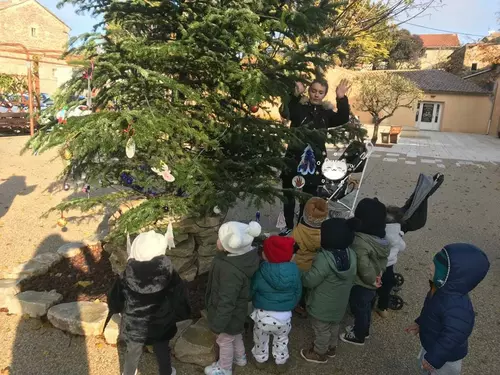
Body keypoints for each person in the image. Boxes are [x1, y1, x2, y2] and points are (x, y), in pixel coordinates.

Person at [106, 230, 191, 375]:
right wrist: (183, 313)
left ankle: (128, 372)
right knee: (162, 349)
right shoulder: (169, 272)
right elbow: (179, 296)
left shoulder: (127, 273)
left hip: (135, 324)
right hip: (161, 324)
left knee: (132, 352)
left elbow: (115, 297)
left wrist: (117, 308)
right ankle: (166, 372)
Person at [279, 78, 351, 235]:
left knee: (309, 196)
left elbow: (343, 118)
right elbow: (285, 111)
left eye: (320, 92)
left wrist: (341, 98)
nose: (316, 95)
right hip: (294, 158)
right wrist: (295, 94)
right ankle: (288, 226)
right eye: (313, 91)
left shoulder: (326, 113)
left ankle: (303, 228)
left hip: (314, 161)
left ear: (324, 94)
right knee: (289, 194)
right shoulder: (299, 108)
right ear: (309, 91)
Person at [406, 244, 490, 375]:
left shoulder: (457, 307)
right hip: (433, 346)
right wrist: (420, 323)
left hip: (446, 358)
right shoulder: (438, 290)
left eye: (436, 267)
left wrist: (434, 359)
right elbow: (429, 310)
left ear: (448, 277)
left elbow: (452, 337)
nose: (429, 267)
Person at [204, 221, 261, 375]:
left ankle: (225, 368)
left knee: (224, 341)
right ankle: (240, 358)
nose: (217, 241)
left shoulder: (231, 271)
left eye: (220, 239)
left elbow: (227, 301)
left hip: (227, 315)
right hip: (237, 312)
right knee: (235, 334)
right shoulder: (239, 258)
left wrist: (218, 324)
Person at [300, 218, 357, 364]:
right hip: (340, 303)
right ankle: (332, 347)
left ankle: (319, 352)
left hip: (321, 305)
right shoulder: (352, 255)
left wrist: (301, 274)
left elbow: (310, 281)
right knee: (334, 325)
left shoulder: (324, 259)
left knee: (321, 330)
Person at [340, 198, 389, 346]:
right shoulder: (382, 239)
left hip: (362, 283)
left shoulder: (361, 241)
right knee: (367, 308)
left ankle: (358, 335)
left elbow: (363, 266)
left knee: (359, 308)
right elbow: (383, 261)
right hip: (376, 280)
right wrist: (379, 276)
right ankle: (364, 329)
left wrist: (372, 279)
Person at [250, 236, 301, 373]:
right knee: (282, 339)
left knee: (261, 339)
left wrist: (253, 301)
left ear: (265, 255)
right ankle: (281, 361)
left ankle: (261, 360)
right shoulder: (295, 271)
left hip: (263, 315)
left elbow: (252, 289)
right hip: (284, 317)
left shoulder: (260, 271)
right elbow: (298, 292)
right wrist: (290, 305)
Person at [291, 196, 328, 316]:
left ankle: (297, 305)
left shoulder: (297, 232)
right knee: (310, 288)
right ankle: (307, 305)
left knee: (298, 288)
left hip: (299, 266)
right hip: (315, 265)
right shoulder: (324, 234)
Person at [376, 206, 407, 318]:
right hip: (389, 265)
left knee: (371, 283)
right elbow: (403, 247)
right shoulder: (398, 236)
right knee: (387, 285)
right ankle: (382, 307)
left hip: (376, 264)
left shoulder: (379, 232)